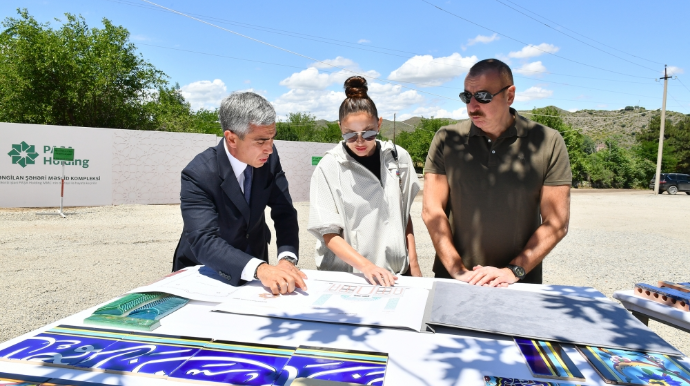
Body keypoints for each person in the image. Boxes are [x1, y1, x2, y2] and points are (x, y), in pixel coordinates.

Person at [422, 59, 571, 286]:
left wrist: (513, 271)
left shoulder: (547, 142)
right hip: (454, 280)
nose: (472, 107)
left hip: (518, 283)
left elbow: (556, 222)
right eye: (466, 97)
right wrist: (458, 270)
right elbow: (432, 210)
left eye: (482, 97)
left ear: (509, 95)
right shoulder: (446, 139)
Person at [173, 91, 307, 295]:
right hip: (205, 271)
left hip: (256, 271)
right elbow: (204, 240)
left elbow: (284, 210)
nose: (270, 149)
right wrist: (259, 268)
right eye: (261, 141)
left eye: (272, 139)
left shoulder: (268, 157)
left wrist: (286, 258)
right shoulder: (198, 173)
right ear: (232, 138)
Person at [308, 76, 421, 286]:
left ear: (379, 124)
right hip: (349, 277)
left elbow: (403, 216)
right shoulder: (330, 166)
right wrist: (367, 267)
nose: (360, 142)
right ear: (339, 126)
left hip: (396, 275)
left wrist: (413, 265)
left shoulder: (398, 158)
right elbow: (329, 234)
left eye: (368, 133)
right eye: (350, 135)